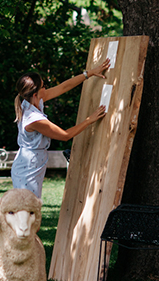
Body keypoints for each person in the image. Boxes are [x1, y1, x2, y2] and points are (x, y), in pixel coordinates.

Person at [11, 60, 112, 198]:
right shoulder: (33, 119)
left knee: (30, 209)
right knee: (28, 209)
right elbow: (65, 135)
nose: (46, 88)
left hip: (32, 163)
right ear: (35, 94)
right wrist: (90, 120)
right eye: (43, 86)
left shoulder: (30, 100)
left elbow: (63, 87)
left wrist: (89, 74)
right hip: (28, 168)